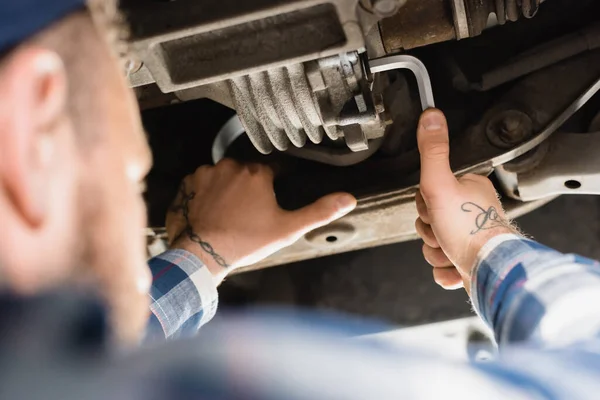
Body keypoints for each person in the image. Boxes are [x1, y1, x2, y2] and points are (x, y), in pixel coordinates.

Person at [2, 1, 600, 399]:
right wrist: (483, 241)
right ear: (32, 135)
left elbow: (98, 346)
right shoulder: (220, 379)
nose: (135, 201)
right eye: (132, 178)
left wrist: (204, 256)